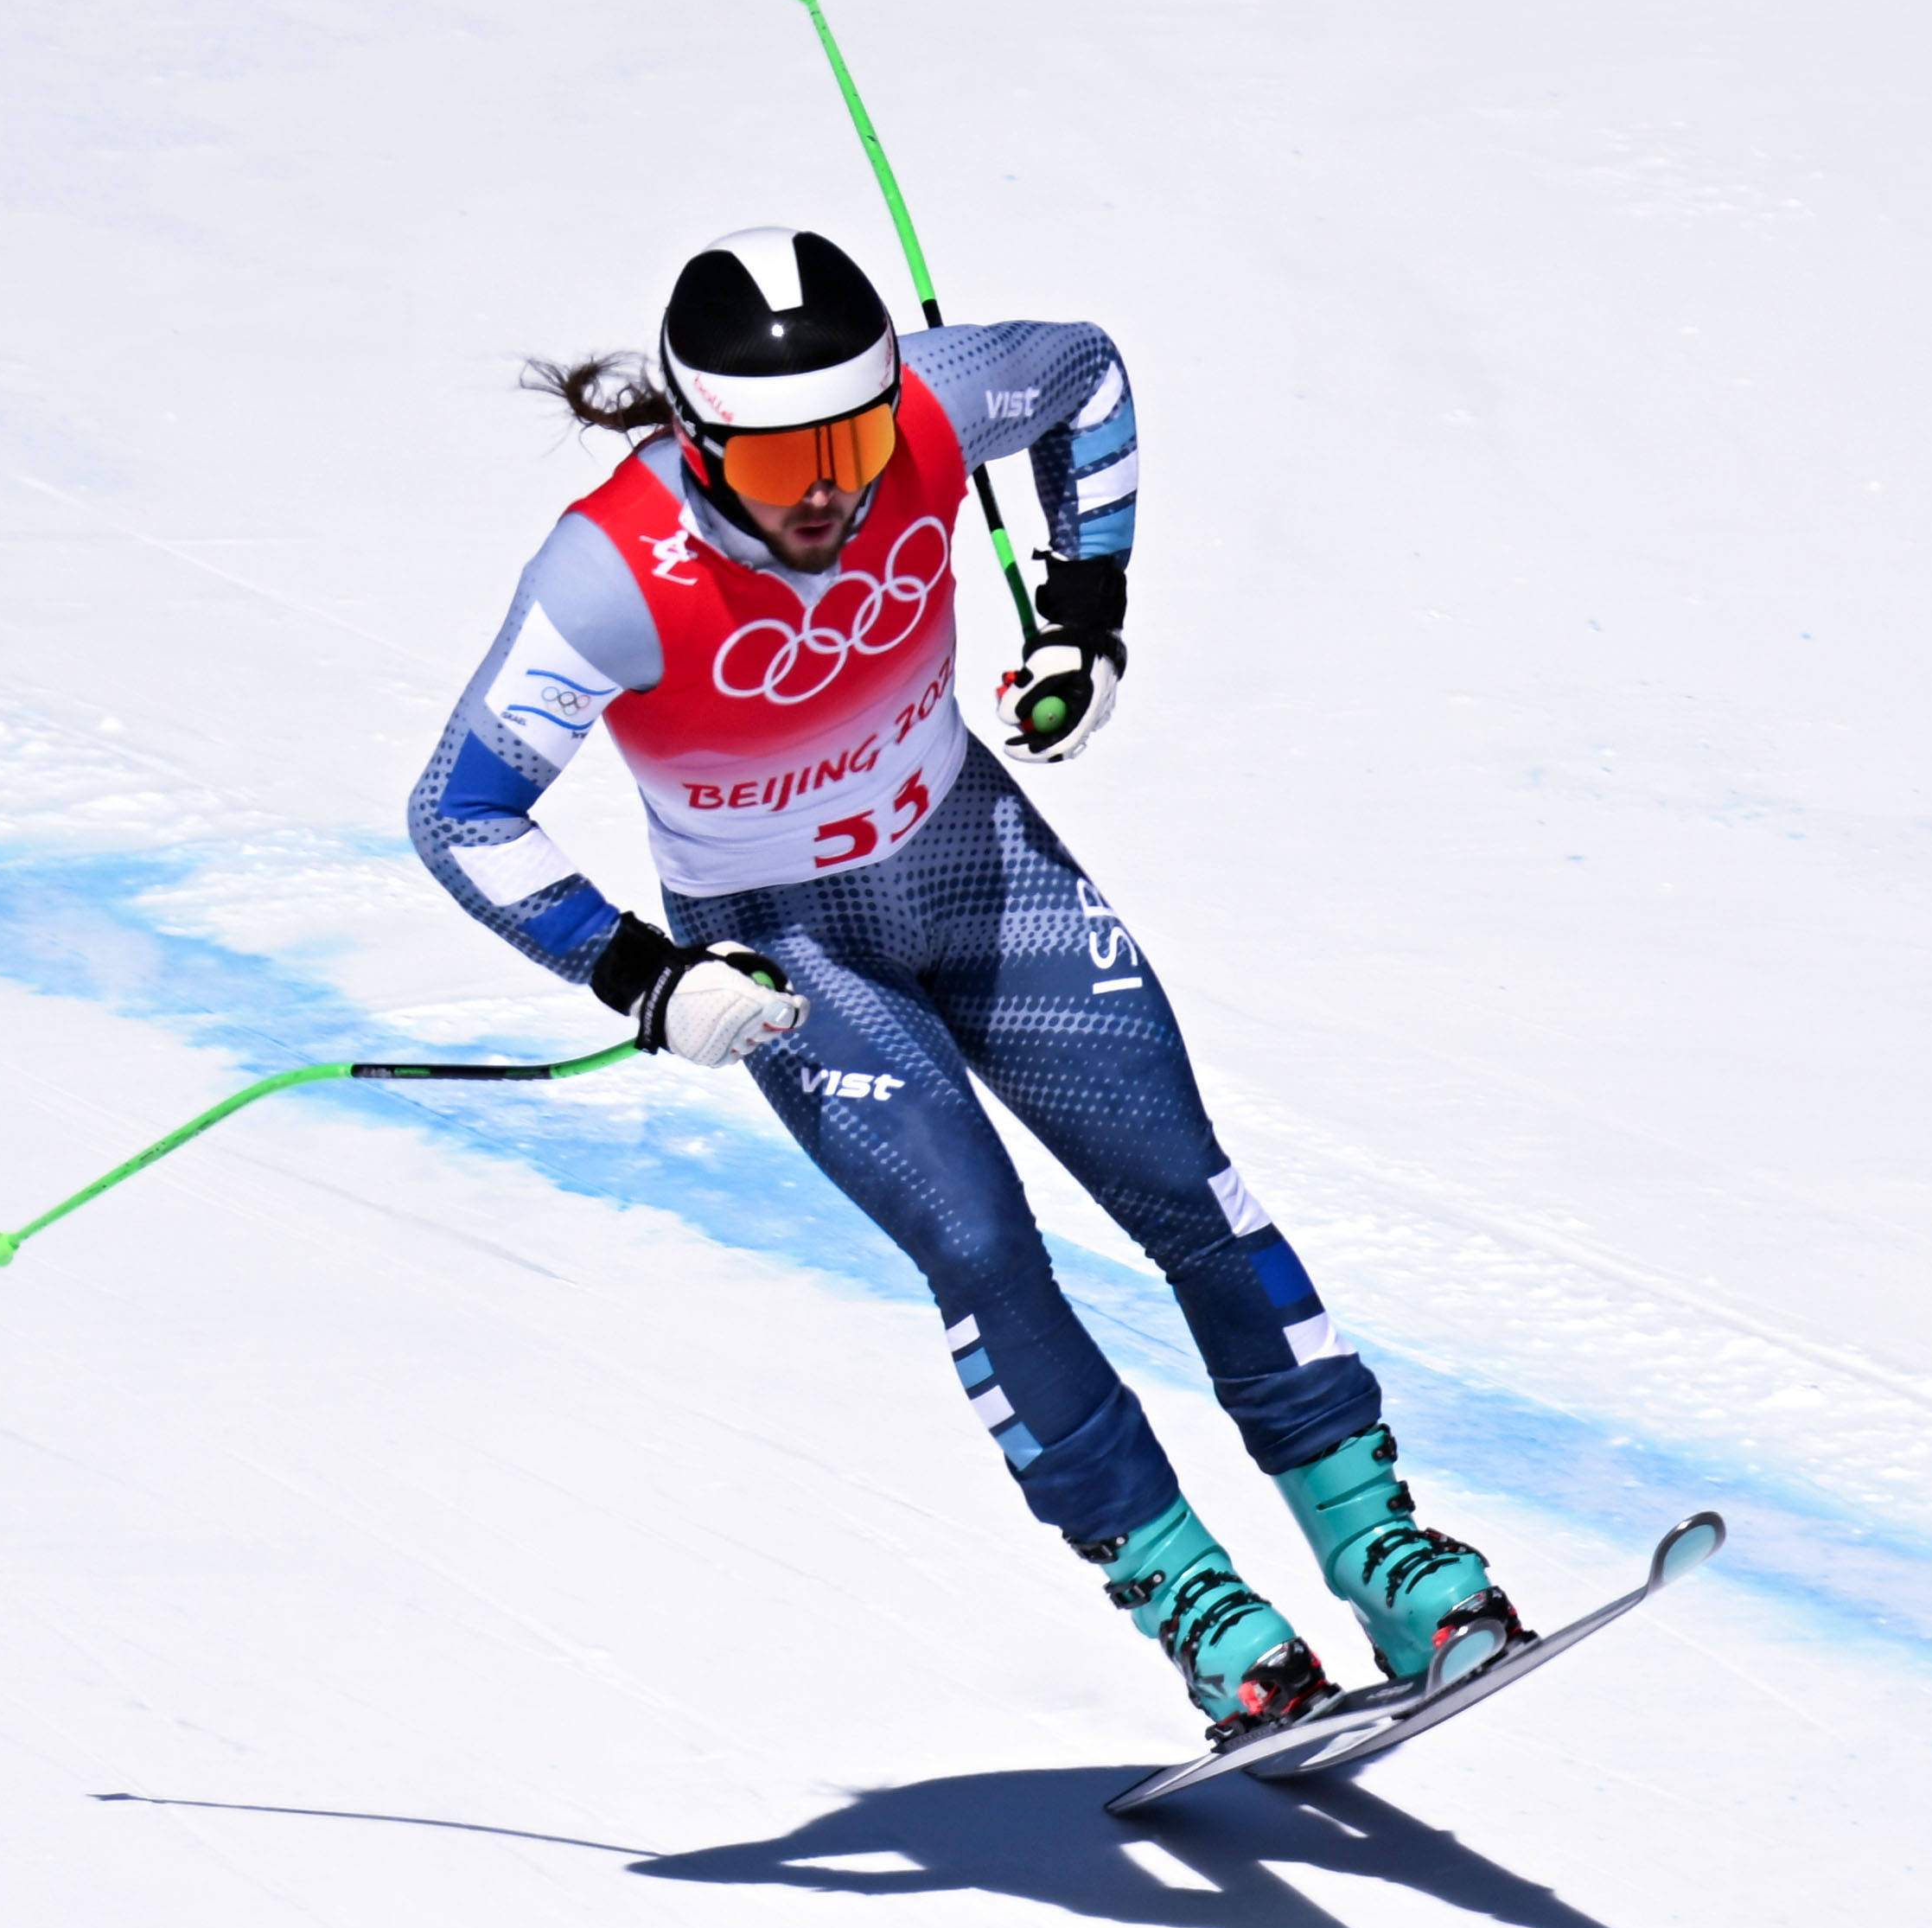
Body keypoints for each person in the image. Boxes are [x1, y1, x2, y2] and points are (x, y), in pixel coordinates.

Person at [404, 226, 1511, 1741]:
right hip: (790, 950)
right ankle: (1191, 1594)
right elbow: (458, 811)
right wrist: (642, 977)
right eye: (783, 462)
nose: (831, 492)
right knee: (985, 1251)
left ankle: (1379, 1545)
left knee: (1190, 1188)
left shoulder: (933, 409)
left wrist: (1085, 610)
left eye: (854, 441)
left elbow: (1088, 378)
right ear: (697, 439)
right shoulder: (610, 573)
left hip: (977, 867)